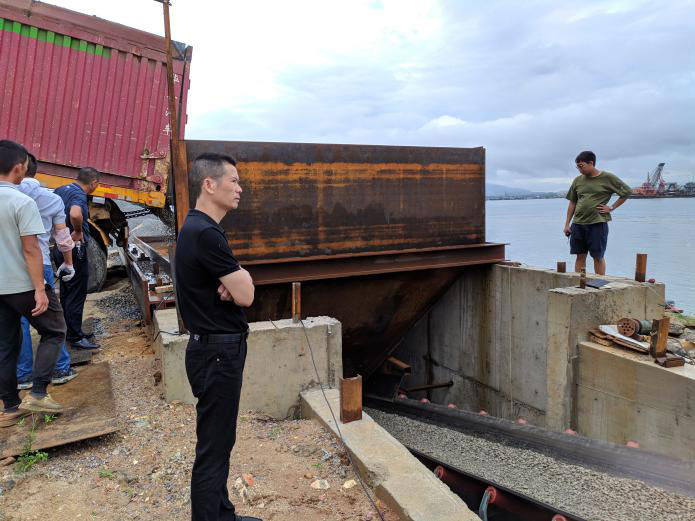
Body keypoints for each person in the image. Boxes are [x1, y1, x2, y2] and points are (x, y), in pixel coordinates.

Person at [174, 153, 259, 521]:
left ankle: (221, 513)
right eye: (234, 181)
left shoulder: (197, 228)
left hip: (212, 351)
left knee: (220, 440)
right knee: (213, 446)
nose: (240, 188)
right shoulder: (206, 233)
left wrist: (235, 280)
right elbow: (247, 295)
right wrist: (240, 280)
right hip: (217, 354)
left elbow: (236, 287)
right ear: (209, 184)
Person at [0, 140, 67, 425]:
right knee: (55, 330)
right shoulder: (22, 202)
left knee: (5, 346)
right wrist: (41, 289)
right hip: (23, 285)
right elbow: (31, 250)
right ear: (19, 169)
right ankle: (38, 393)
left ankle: (9, 409)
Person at [17, 153, 78, 389]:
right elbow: (62, 237)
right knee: (51, 320)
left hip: (10, 265)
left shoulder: (7, 196)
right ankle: (60, 369)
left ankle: (23, 375)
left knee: (19, 321)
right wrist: (68, 263)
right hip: (40, 262)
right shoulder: (50, 198)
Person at [53, 167, 100, 350]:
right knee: (76, 293)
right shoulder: (79, 195)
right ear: (93, 183)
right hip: (74, 249)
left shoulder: (61, 190)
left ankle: (70, 330)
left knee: (67, 292)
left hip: (60, 247)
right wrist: (78, 231)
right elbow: (75, 213)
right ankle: (75, 337)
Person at [563, 151, 632, 275]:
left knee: (598, 256)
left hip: (597, 223)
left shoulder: (607, 177)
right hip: (578, 224)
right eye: (577, 167)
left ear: (591, 163)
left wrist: (611, 207)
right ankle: (580, 281)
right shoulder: (578, 180)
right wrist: (567, 224)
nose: (579, 170)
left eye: (581, 166)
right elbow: (572, 202)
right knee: (580, 255)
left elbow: (626, 192)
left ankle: (599, 282)